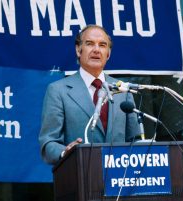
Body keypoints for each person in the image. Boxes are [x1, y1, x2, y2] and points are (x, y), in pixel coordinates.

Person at [39, 25, 140, 165]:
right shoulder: (58, 90)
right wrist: (65, 151)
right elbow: (49, 142)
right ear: (78, 50)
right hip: (80, 175)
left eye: (102, 45)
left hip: (119, 179)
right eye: (89, 44)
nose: (96, 50)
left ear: (108, 54)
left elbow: (135, 140)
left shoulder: (123, 90)